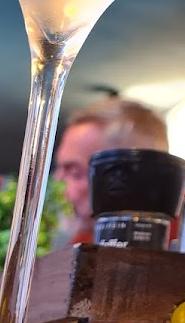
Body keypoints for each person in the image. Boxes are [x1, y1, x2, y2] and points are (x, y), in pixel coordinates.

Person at [54, 98, 169, 244]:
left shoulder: (184, 245)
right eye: (60, 170)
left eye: (75, 173)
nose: (58, 185)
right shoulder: (81, 243)